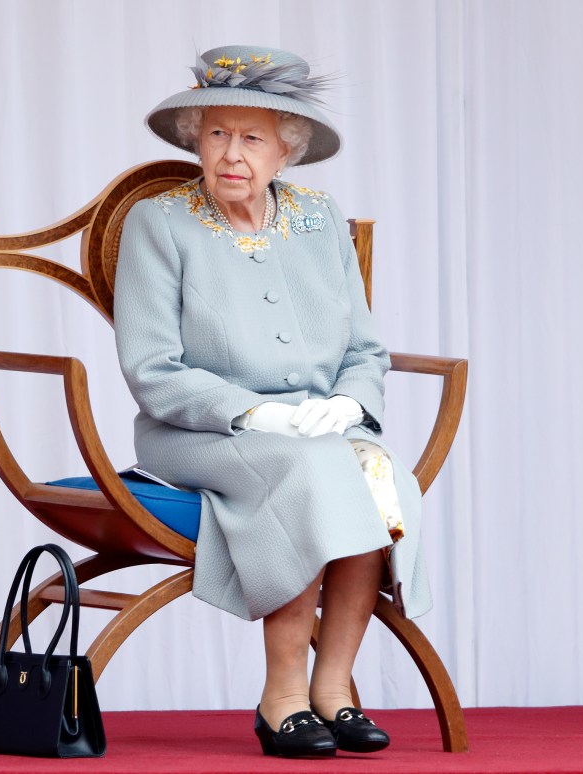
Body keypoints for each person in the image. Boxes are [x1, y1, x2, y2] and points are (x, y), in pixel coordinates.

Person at [114, 45, 429, 758]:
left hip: (319, 427)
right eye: (217, 132)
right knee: (313, 475)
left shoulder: (320, 218)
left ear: (286, 151)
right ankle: (282, 694)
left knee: (379, 475)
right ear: (195, 137)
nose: (232, 153)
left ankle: (334, 689)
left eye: (253, 137)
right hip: (194, 431)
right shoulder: (157, 223)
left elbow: (365, 352)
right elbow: (151, 368)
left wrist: (350, 406)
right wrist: (256, 414)